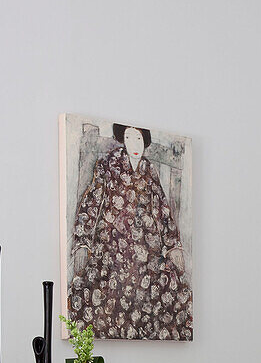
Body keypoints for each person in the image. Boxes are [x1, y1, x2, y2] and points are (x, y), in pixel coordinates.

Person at [69, 124, 192, 340]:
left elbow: (162, 209)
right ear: (122, 140)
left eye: (138, 138)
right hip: (112, 245)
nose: (134, 144)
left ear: (145, 141)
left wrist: (173, 245)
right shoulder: (108, 164)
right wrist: (82, 242)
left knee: (170, 288)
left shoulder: (149, 170)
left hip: (147, 248)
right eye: (128, 137)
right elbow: (91, 203)